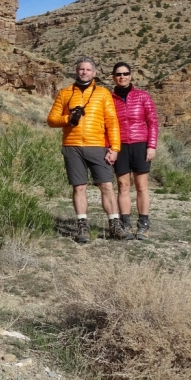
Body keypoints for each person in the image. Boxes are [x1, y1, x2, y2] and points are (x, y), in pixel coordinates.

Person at [47, 57, 129, 243]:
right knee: (79, 187)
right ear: (76, 71)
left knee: (106, 186)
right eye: (81, 69)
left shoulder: (103, 94)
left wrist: (115, 148)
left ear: (94, 73)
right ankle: (82, 226)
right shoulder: (65, 93)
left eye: (88, 69)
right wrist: (68, 118)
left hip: (97, 145)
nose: (84, 72)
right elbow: (51, 120)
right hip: (72, 146)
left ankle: (115, 224)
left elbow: (112, 122)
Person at [110, 62, 159, 241]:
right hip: (119, 146)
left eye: (125, 73)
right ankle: (125, 224)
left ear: (131, 75)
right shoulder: (109, 99)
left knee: (141, 187)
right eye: (118, 74)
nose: (122, 76)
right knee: (123, 186)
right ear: (113, 77)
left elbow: (152, 122)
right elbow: (106, 125)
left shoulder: (142, 97)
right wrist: (110, 147)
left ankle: (143, 225)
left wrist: (151, 145)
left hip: (140, 145)